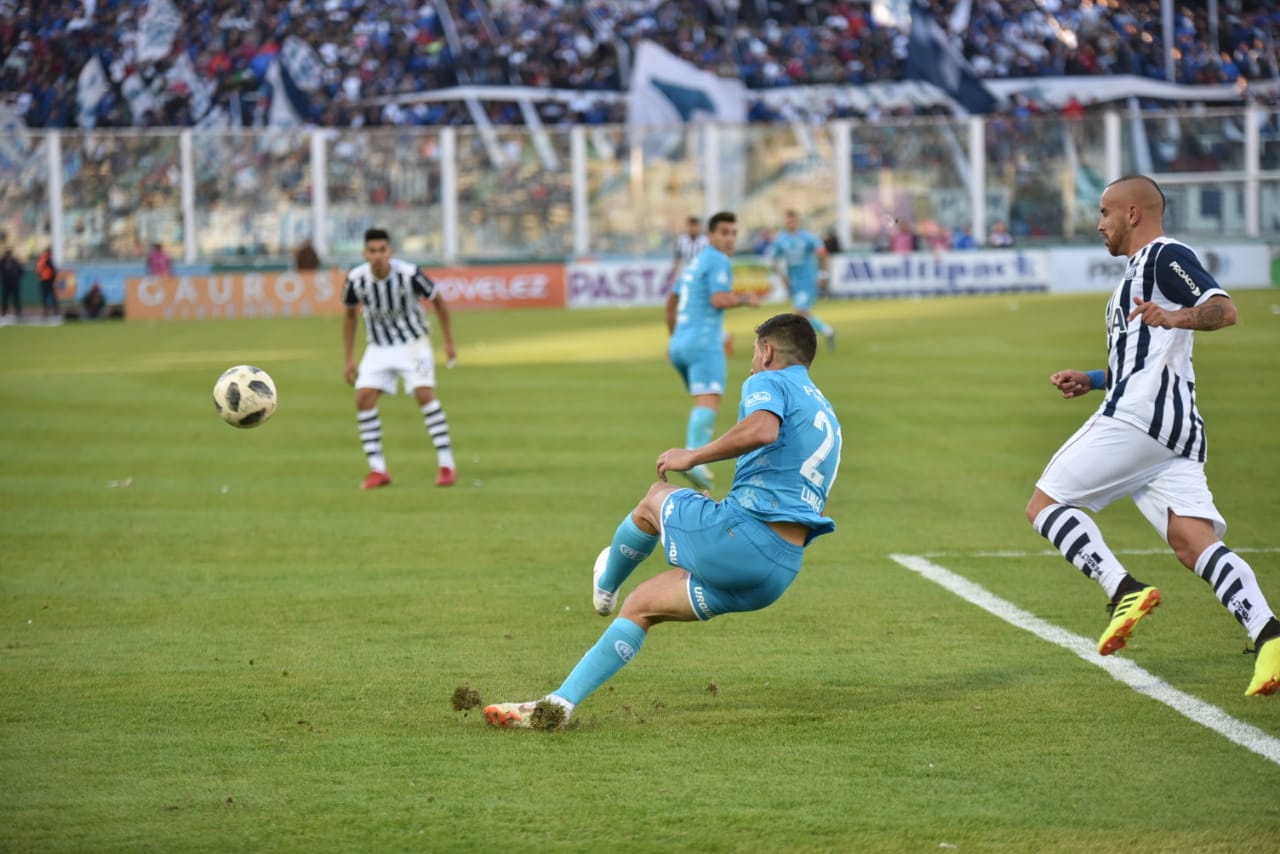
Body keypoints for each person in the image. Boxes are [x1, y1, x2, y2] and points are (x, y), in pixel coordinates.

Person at [484, 313, 843, 729]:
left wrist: (692, 456)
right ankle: (558, 705)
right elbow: (783, 481)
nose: (749, 364)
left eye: (751, 353)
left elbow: (762, 430)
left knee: (655, 497)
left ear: (767, 351)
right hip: (777, 569)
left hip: (743, 539)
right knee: (642, 606)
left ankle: (605, 585)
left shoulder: (769, 379)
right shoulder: (825, 411)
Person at [1025, 175, 1279, 697]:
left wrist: (1178, 314)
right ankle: (1270, 636)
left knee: (1046, 505)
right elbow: (1143, 356)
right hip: (1171, 430)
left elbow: (1223, 310)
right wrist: (1093, 379)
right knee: (1194, 544)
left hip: (1142, 418)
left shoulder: (1164, 255)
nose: (1099, 224)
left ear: (1134, 213)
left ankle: (1123, 589)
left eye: (1105, 213)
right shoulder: (1134, 276)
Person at [342, 228, 459, 489]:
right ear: (365, 253)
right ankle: (377, 469)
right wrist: (349, 358)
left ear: (390, 252)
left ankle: (446, 464)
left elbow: (438, 301)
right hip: (378, 347)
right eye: (372, 251)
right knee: (363, 398)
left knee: (424, 394)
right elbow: (350, 316)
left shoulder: (409, 274)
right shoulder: (356, 278)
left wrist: (449, 342)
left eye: (382, 250)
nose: (377, 256)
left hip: (413, 343)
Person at [663, 211, 761, 493]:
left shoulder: (696, 262)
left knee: (701, 399)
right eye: (724, 233)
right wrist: (745, 298)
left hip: (680, 343)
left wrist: (674, 340)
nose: (730, 239)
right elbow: (718, 299)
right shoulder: (718, 260)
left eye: (733, 233)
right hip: (704, 342)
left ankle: (699, 477)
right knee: (708, 400)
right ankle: (694, 458)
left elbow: (670, 302)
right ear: (711, 236)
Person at [770, 209, 835, 350]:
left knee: (799, 312)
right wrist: (783, 278)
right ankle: (827, 331)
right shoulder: (781, 240)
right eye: (788, 221)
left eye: (792, 220)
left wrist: (823, 274)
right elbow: (774, 261)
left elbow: (823, 254)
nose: (790, 223)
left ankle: (798, 345)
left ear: (797, 221)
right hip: (794, 282)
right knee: (804, 314)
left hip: (809, 280)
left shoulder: (807, 238)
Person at [0, 248, 22, 321]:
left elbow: (20, 270)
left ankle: (18, 312)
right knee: (5, 299)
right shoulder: (3, 262)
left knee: (16, 299)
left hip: (14, 284)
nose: (9, 257)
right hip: (6, 284)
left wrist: (16, 277)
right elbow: (3, 270)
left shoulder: (14, 262)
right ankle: (4, 312)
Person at [35, 247, 57, 317]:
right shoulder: (47, 259)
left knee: (44, 297)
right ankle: (55, 311)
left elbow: (37, 270)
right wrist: (53, 278)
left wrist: (40, 276)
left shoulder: (40, 259)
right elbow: (52, 270)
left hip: (42, 280)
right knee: (52, 296)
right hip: (48, 280)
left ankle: (46, 311)